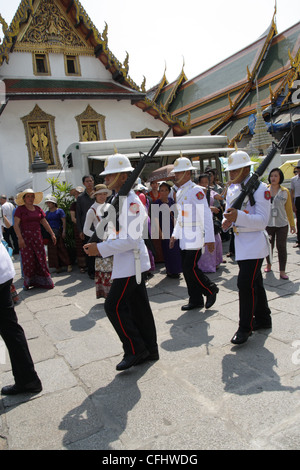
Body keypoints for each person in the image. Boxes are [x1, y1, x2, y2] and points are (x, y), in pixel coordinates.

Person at [84, 153, 158, 371]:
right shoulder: (117, 199)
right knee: (139, 308)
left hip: (131, 265)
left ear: (124, 176)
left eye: (110, 176)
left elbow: (132, 240)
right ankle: (150, 349)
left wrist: (101, 249)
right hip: (125, 263)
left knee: (112, 306)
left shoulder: (133, 203)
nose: (105, 180)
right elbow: (116, 232)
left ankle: (135, 349)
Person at [222, 150, 272, 345]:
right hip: (241, 244)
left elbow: (262, 222)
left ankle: (245, 328)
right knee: (255, 283)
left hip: (255, 245)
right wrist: (228, 223)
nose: (231, 174)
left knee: (245, 284)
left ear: (246, 169)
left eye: (234, 171)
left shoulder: (260, 189)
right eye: (230, 171)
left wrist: (238, 218)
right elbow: (230, 215)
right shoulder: (234, 190)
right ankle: (263, 318)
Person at [169, 157, 219, 311]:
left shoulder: (196, 190)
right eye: (175, 172)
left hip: (195, 235)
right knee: (186, 268)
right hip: (185, 236)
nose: (175, 175)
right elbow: (181, 216)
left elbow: (206, 215)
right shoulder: (180, 191)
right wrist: (174, 234)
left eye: (178, 172)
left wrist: (210, 239)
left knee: (189, 267)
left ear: (188, 173)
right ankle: (195, 298)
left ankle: (210, 289)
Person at [0, 216, 42, 395]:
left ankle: (28, 379)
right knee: (10, 327)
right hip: (3, 268)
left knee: (9, 327)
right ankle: (27, 379)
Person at [14, 189, 55, 290]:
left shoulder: (37, 209)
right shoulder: (20, 209)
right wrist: (20, 238)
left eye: (32, 196)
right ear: (24, 198)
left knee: (41, 259)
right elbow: (16, 225)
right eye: (28, 196)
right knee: (28, 261)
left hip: (37, 238)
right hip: (25, 239)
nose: (31, 198)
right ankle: (28, 282)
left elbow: (44, 222)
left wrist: (52, 234)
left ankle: (44, 282)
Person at [264, 168, 296, 280]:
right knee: (269, 246)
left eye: (276, 176)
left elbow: (289, 210)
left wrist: (292, 224)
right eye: (272, 175)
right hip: (268, 224)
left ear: (280, 177)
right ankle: (269, 264)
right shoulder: (265, 190)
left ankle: (282, 271)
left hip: (282, 224)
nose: (273, 178)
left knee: (281, 247)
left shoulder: (285, 191)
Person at [83, 184, 113, 299]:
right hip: (101, 243)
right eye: (99, 194)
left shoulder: (110, 206)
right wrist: (99, 236)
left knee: (114, 267)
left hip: (113, 240)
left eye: (104, 194)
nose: (102, 196)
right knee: (104, 269)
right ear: (95, 195)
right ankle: (106, 294)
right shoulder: (92, 210)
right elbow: (86, 230)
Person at [153, 182, 182, 278]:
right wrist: (160, 233)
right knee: (168, 250)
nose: (164, 192)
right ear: (159, 192)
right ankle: (170, 270)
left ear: (169, 191)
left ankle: (177, 270)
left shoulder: (171, 201)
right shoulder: (156, 203)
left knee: (176, 249)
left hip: (173, 228)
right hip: (164, 229)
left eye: (166, 190)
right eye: (162, 190)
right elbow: (155, 219)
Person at [197, 174, 224, 273]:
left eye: (206, 182)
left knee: (217, 241)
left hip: (210, 220)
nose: (204, 184)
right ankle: (205, 265)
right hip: (200, 221)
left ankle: (216, 262)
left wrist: (229, 186)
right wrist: (209, 208)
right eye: (202, 182)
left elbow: (221, 197)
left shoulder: (211, 192)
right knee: (205, 244)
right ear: (198, 183)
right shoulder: (196, 193)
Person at [45, 195, 72, 274]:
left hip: (58, 231)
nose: (49, 204)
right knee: (52, 250)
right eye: (48, 203)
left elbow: (63, 221)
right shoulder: (47, 213)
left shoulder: (59, 211)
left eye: (50, 203)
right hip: (51, 233)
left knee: (61, 248)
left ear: (54, 203)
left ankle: (68, 264)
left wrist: (64, 231)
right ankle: (57, 266)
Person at [76, 175, 95, 278]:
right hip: (86, 228)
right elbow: (78, 215)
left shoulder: (98, 195)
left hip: (98, 227)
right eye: (87, 181)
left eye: (91, 181)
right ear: (84, 183)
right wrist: (80, 230)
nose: (89, 183)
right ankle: (91, 272)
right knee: (89, 250)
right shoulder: (80, 198)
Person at [69, 186, 87, 273]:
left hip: (88, 227)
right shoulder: (73, 205)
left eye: (79, 193)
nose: (77, 195)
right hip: (78, 227)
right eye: (76, 194)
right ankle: (82, 266)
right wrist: (81, 225)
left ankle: (90, 264)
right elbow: (73, 218)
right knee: (80, 246)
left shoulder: (86, 202)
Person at [290, 160, 300, 248]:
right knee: (299, 221)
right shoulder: (294, 179)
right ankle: (299, 240)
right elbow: (292, 192)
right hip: (298, 200)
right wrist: (292, 205)